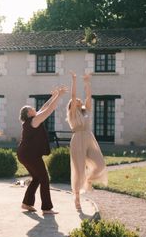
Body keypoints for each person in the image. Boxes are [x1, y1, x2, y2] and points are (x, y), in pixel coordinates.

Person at [17, 86, 68, 215]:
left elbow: (45, 107)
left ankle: (27, 203)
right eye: (32, 109)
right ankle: (46, 208)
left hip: (24, 154)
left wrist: (53, 96)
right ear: (29, 113)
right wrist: (59, 96)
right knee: (44, 178)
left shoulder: (31, 120)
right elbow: (50, 110)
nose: (34, 109)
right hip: (30, 155)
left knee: (36, 178)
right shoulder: (34, 120)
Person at [67, 72, 108, 210]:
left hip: (89, 138)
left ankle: (88, 180)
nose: (79, 100)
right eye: (76, 100)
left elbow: (89, 96)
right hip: (77, 139)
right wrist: (74, 79)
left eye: (79, 100)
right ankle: (77, 197)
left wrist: (87, 82)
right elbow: (72, 96)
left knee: (100, 164)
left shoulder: (86, 111)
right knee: (78, 170)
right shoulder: (73, 113)